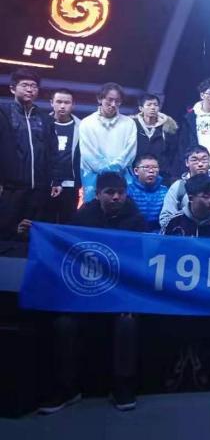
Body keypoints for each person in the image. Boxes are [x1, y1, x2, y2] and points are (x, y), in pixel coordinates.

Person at [37, 171, 146, 414]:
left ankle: (123, 385)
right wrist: (33, 230)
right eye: (110, 193)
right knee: (64, 323)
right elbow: (65, 248)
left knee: (127, 322)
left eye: (121, 193)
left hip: (119, 291)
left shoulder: (136, 220)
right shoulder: (83, 216)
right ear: (97, 194)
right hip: (84, 289)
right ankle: (66, 388)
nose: (116, 197)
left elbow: (137, 263)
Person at [159, 174, 210, 398]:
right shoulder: (175, 222)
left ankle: (204, 363)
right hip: (179, 290)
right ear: (191, 197)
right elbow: (161, 256)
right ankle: (180, 360)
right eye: (205, 196)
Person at [0, 69, 58, 240]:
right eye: (25, 85)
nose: (30, 89)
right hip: (10, 189)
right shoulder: (3, 114)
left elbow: (53, 151)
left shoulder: (45, 119)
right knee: (7, 234)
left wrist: (55, 179)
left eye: (34, 86)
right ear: (13, 88)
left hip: (39, 190)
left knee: (34, 237)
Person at [79, 82, 137, 202]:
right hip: (94, 178)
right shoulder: (86, 123)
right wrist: (106, 170)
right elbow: (88, 153)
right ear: (100, 99)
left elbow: (130, 151)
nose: (113, 104)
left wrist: (115, 168)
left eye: (117, 101)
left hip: (121, 177)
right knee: (94, 210)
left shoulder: (129, 123)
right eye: (110, 100)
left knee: (121, 209)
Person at [159, 145, 210, 227]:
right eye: (194, 160)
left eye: (204, 159)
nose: (200, 164)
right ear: (187, 162)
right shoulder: (177, 187)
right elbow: (165, 218)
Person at [47, 88, 81, 224]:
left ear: (73, 105)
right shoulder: (42, 124)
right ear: (51, 103)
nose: (62, 106)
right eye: (59, 102)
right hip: (46, 183)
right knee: (45, 221)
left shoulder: (82, 127)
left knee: (68, 223)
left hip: (71, 184)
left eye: (67, 102)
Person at [134, 93, 179, 184]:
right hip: (136, 174)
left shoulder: (167, 128)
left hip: (162, 175)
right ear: (141, 108)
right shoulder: (133, 126)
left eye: (155, 105)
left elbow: (173, 153)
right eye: (149, 105)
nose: (153, 108)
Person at [126, 154, 169, 231]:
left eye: (155, 167)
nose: (151, 171)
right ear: (136, 171)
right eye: (146, 167)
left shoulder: (165, 191)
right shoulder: (128, 191)